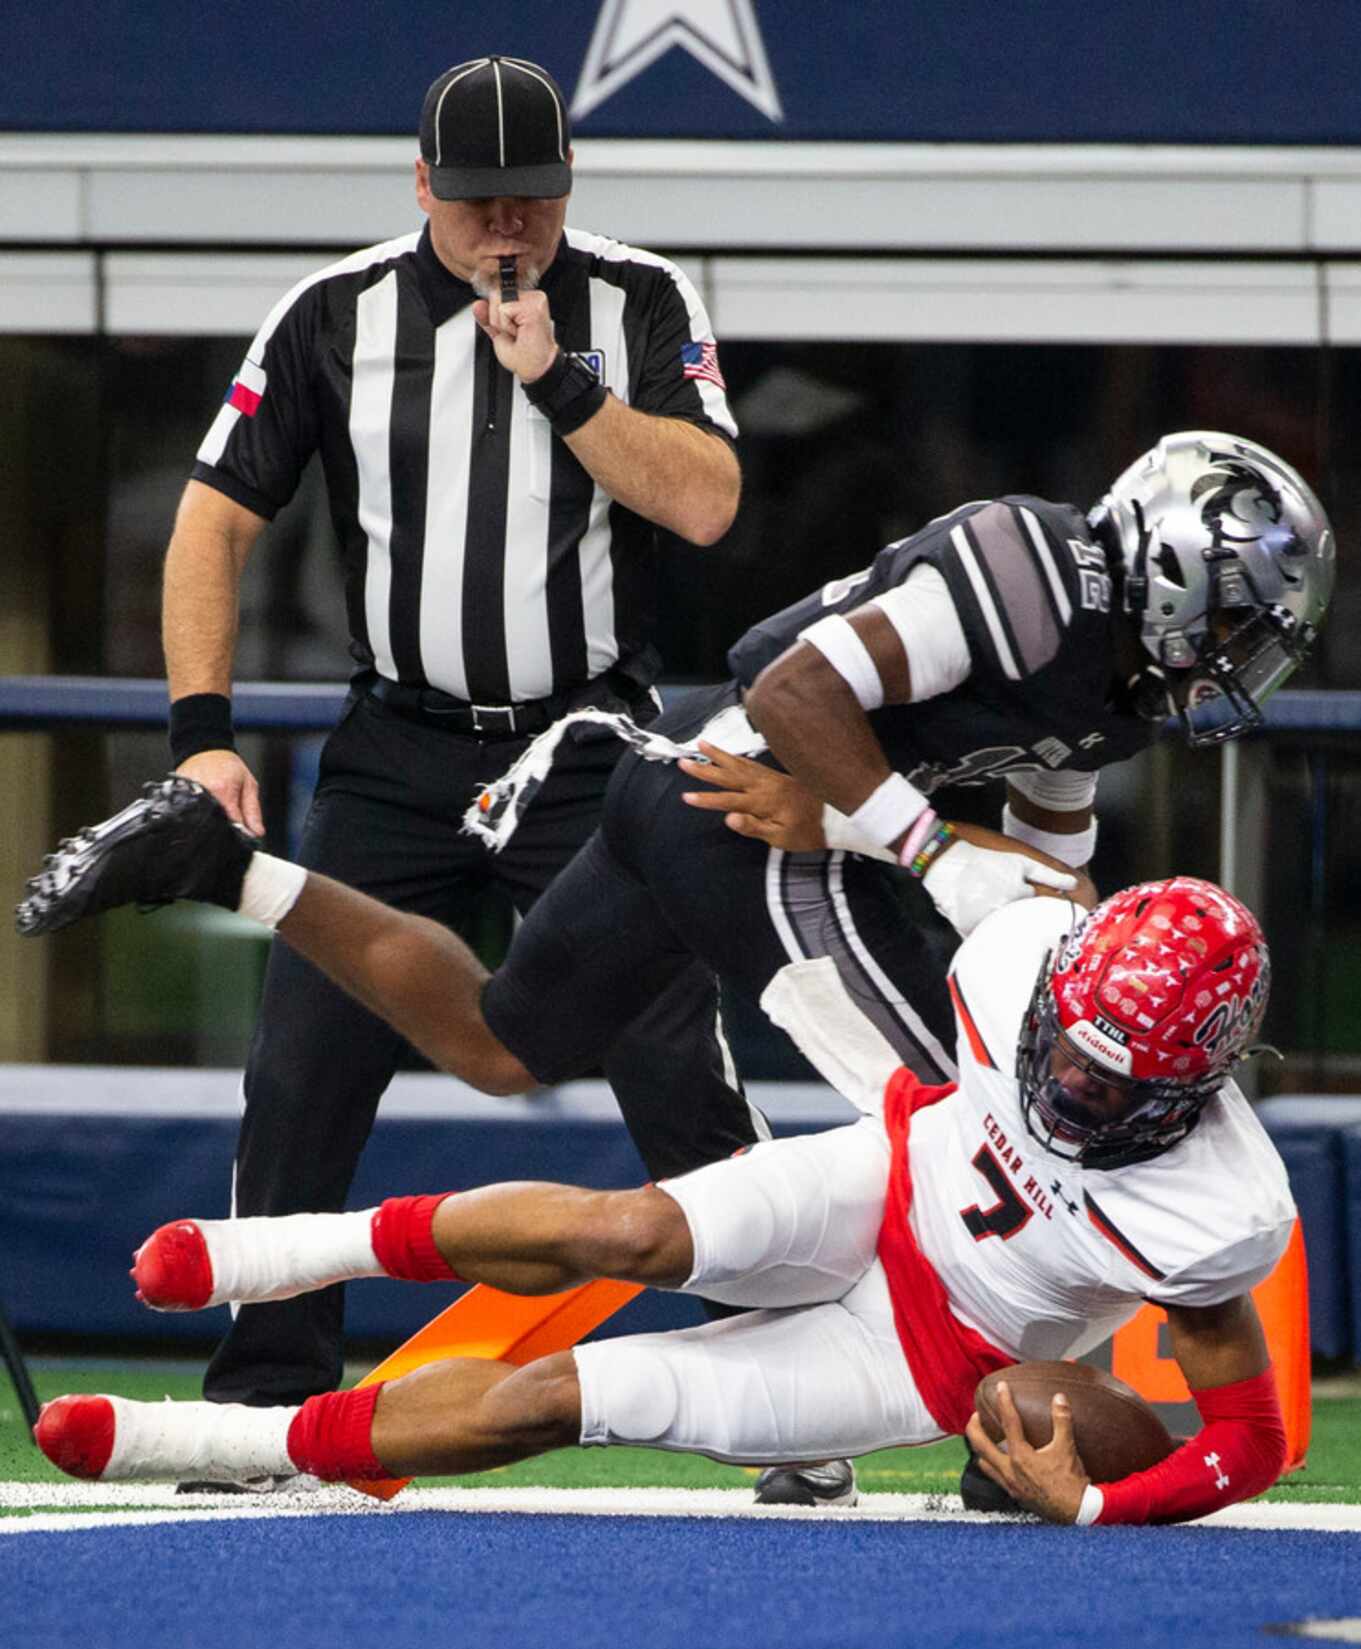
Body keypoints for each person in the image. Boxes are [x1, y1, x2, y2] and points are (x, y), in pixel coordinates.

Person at [18, 429, 1332, 1502]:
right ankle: (970, 1445)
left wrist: (934, 848)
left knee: (495, 1043)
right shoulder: (1027, 568)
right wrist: (911, 841)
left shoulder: (1099, 684)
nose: (1237, 660)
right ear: (1164, 568)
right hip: (744, 819)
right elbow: (789, 675)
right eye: (1233, 622)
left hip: (700, 803)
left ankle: (224, 866)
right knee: (1012, 1126)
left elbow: (1055, 888)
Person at [136, 55, 759, 1470]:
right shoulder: (330, 314)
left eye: (529, 201)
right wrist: (202, 737)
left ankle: (777, 1364)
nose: (505, 231)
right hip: (399, 739)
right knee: (303, 1059)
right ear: (421, 187)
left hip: (586, 738)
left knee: (669, 1048)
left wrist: (563, 381)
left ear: (566, 187)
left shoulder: (637, 299)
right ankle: (264, 1399)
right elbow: (211, 520)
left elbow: (708, 503)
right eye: (476, 203)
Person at [35, 877, 1296, 1528]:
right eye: (1064, 1044)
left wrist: (1096, 1502)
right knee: (620, 1227)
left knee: (566, 1398)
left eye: (1110, 1076)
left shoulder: (1211, 1207)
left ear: (1203, 1077)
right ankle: (288, 1251)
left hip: (927, 1357)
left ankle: (219, 1444)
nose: (1067, 1080)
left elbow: (1252, 1442)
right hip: (876, 1182)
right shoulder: (1016, 956)